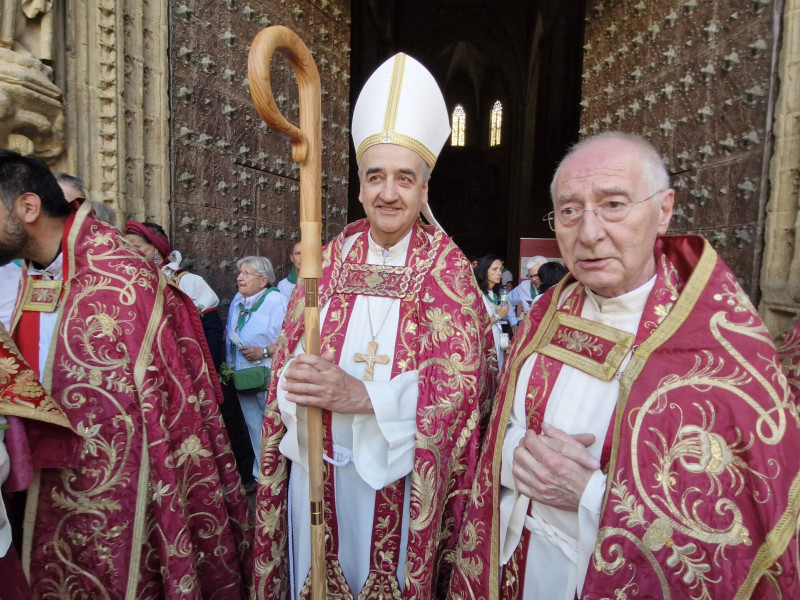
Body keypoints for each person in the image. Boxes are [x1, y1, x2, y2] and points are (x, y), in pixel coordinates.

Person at [448, 131, 800, 599]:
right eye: (569, 210)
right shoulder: (544, 314)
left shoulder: (719, 344)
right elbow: (503, 425)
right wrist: (516, 456)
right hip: (518, 564)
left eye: (613, 204)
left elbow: (737, 530)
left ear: (664, 210)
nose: (588, 232)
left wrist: (592, 495)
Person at [250, 53, 495, 599]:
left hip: (402, 481)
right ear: (359, 187)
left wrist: (364, 398)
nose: (388, 193)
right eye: (375, 176)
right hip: (319, 472)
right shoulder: (325, 260)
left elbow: (462, 394)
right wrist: (298, 386)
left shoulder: (448, 271)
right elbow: (286, 368)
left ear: (424, 190)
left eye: (404, 179)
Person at [0, 150, 251, 598]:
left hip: (123, 486)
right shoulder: (22, 276)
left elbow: (161, 404)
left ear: (28, 207)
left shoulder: (123, 277)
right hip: (33, 479)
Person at [125, 220, 225, 368]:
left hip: (182, 366)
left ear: (155, 249)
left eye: (136, 247)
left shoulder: (186, 281)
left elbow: (212, 331)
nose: (129, 253)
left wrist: (205, 370)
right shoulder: (127, 285)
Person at [225, 256, 287, 482]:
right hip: (244, 374)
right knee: (254, 427)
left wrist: (264, 351)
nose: (239, 278)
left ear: (263, 280)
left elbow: (289, 339)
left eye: (246, 273)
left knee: (272, 427)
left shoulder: (276, 301)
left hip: (268, 373)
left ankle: (277, 477)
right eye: (239, 272)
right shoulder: (237, 300)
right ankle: (263, 477)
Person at [474, 254, 510, 371]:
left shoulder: (493, 294)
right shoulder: (477, 295)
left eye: (500, 269)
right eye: (494, 269)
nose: (499, 273)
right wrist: (498, 316)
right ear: (484, 272)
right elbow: (477, 325)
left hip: (496, 340)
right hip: (485, 344)